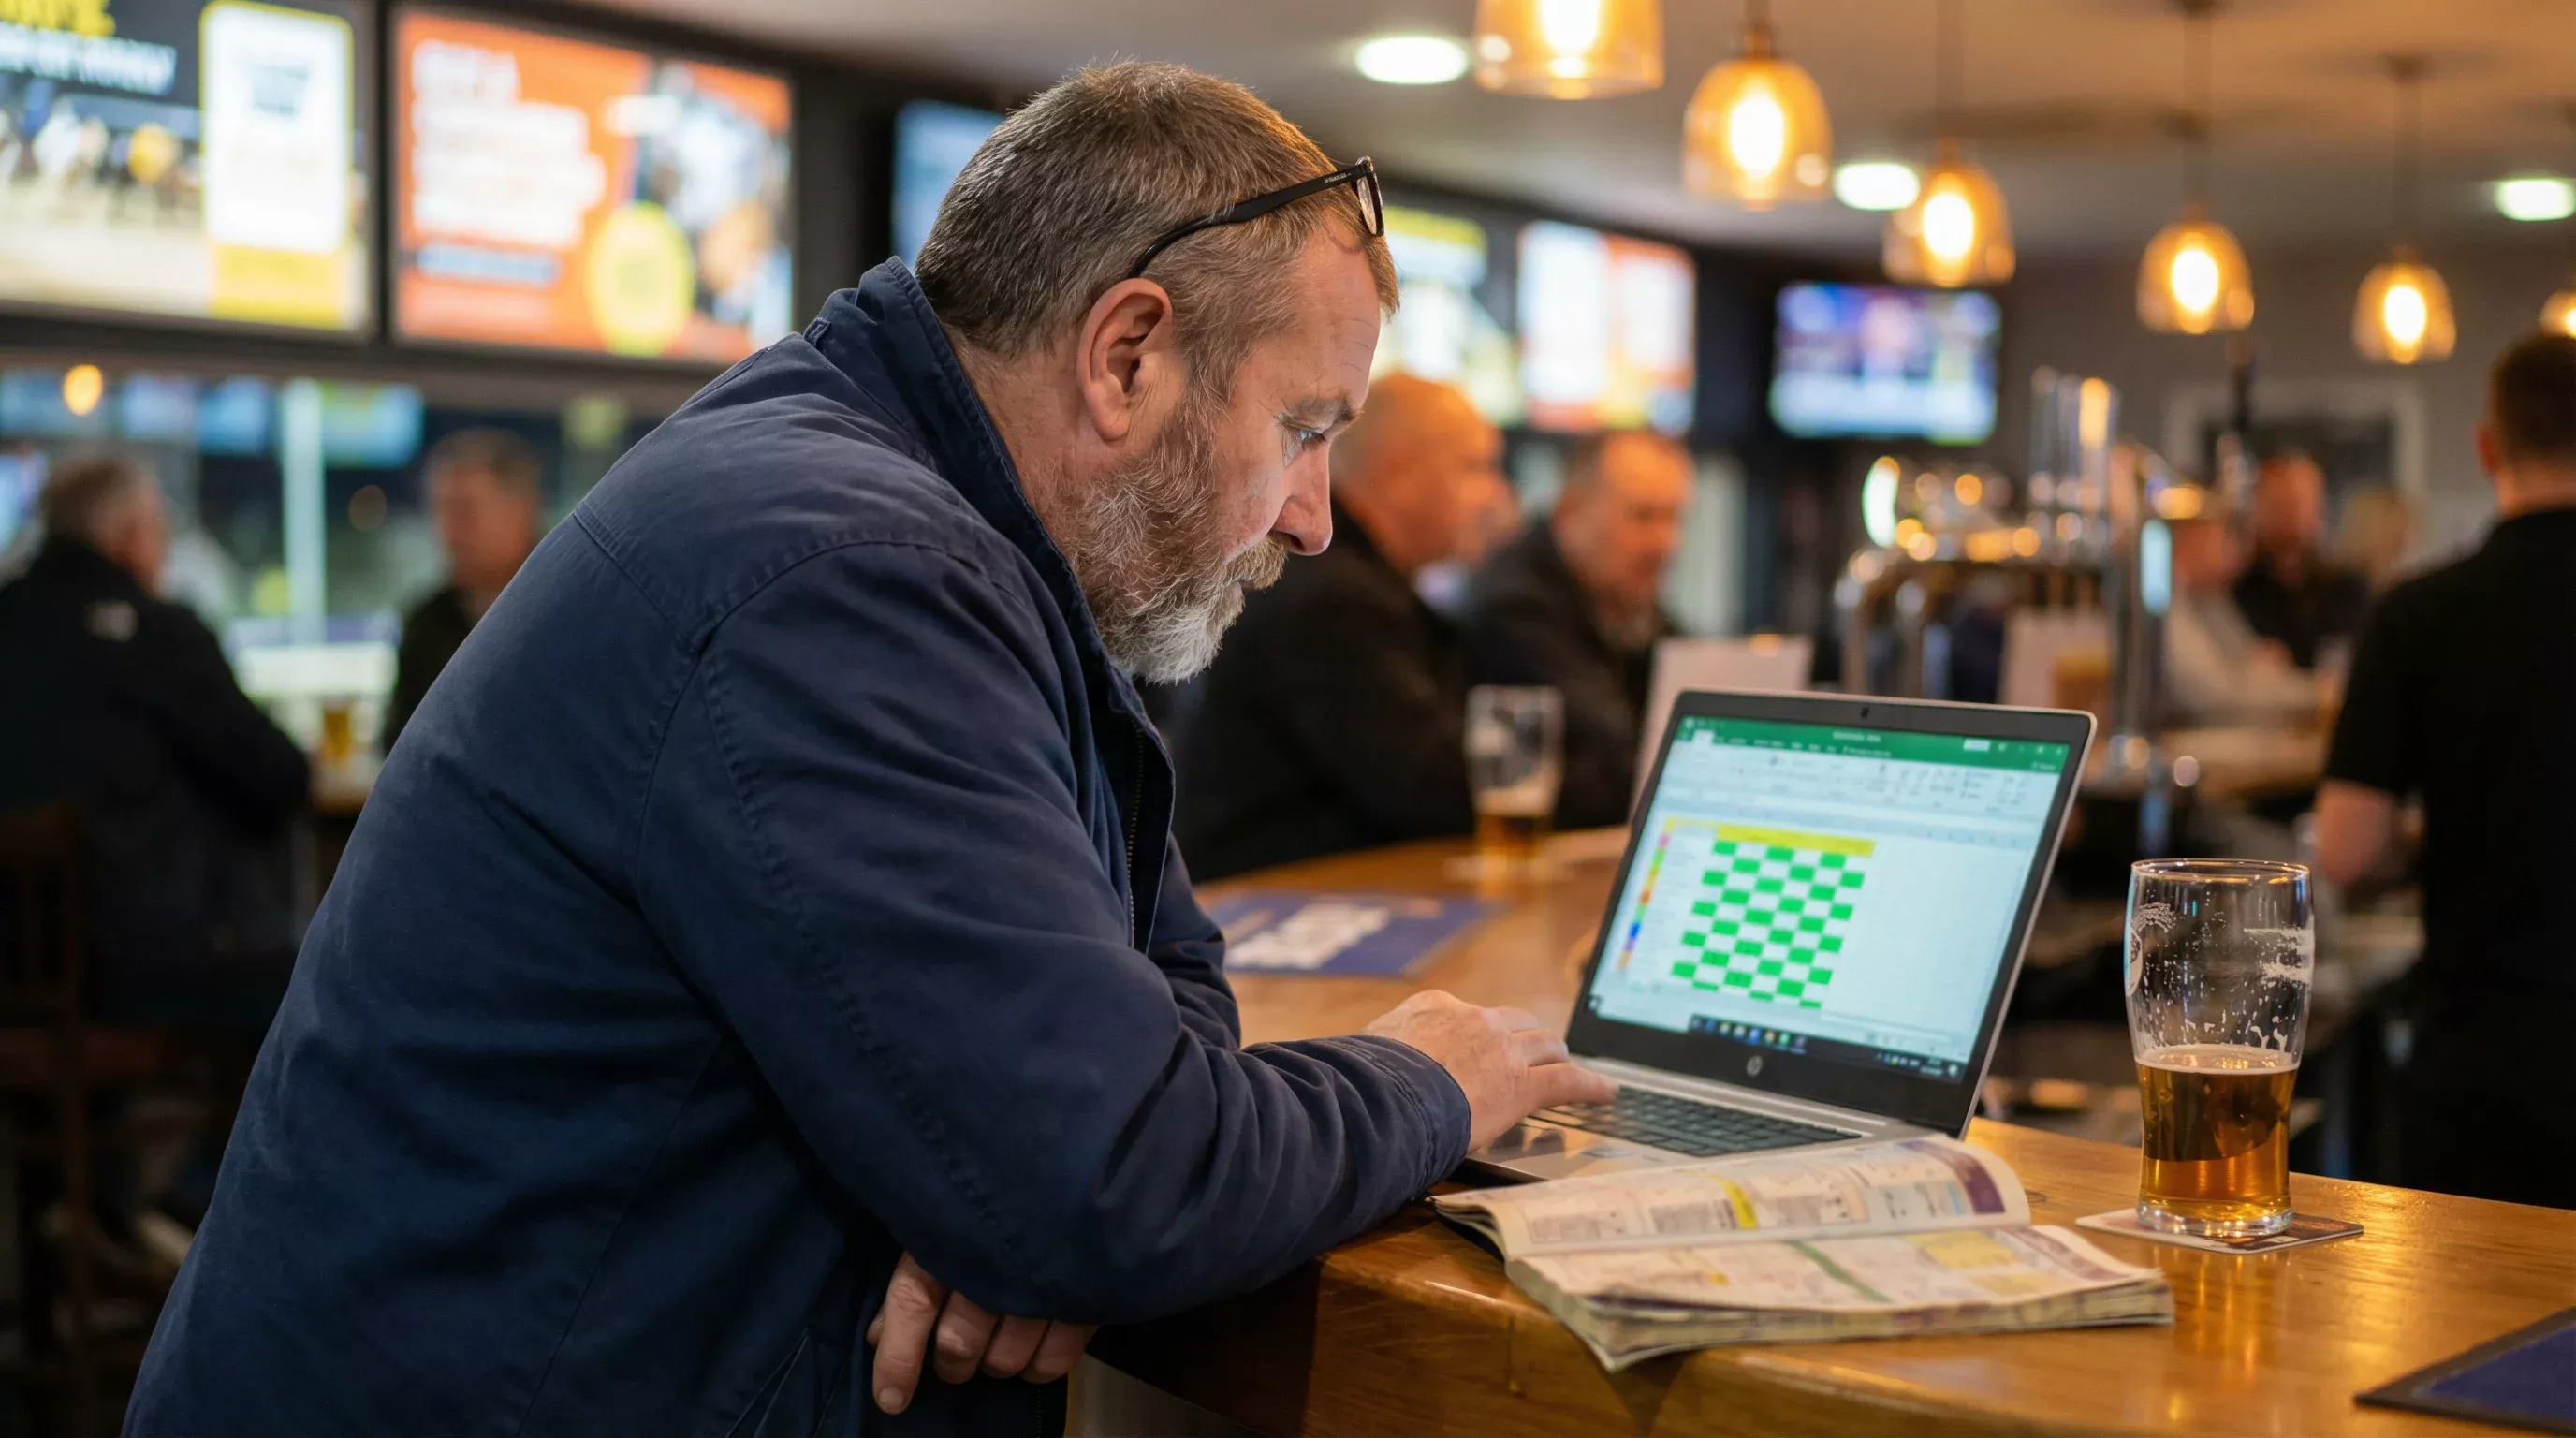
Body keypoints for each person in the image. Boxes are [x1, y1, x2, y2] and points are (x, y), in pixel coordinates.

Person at [125, 65, 1609, 1438]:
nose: (1314, 517)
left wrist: (1017, 1180)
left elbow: (1155, 1026)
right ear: (1129, 354)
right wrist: (1425, 1083)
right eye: (1302, 427)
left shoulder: (965, 546)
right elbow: (1119, 1176)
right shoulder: (842, 571)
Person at [2314, 330, 2576, 1210]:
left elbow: (2348, 851)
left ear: (2488, 446)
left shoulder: (2419, 614)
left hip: (2487, 1058)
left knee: (2487, 1336)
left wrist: (2436, 840)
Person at [0, 454, 308, 1031]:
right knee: (311, 974)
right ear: (131, 537)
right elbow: (276, 774)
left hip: (11, 972)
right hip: (136, 973)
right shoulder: (159, 636)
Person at [1172, 373, 1502, 881]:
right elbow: (1435, 790)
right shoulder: (1332, 600)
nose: (1496, 497)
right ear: (1401, 473)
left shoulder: (1365, 587)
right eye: (1476, 468)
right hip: (1253, 925)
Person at [1463, 430, 1690, 828]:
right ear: (1571, 512)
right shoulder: (1516, 605)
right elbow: (1619, 752)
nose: (1665, 543)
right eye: (1643, 516)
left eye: (1674, 518)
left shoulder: (1623, 599)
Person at [385, 429, 544, 750]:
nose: (447, 532)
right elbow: (397, 746)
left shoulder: (567, 610)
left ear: (520, 513)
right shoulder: (426, 623)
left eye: (463, 511)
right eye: (438, 511)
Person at [2160, 493, 2321, 729]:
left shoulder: (2209, 598)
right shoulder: (2163, 599)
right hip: (2198, 740)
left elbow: (2256, 664)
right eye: (2228, 537)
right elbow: (2211, 694)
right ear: (2196, 535)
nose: (2238, 553)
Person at [2232, 449, 2370, 668]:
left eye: (2302, 501)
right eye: (2281, 503)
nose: (2293, 514)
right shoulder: (2234, 587)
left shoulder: (2348, 588)